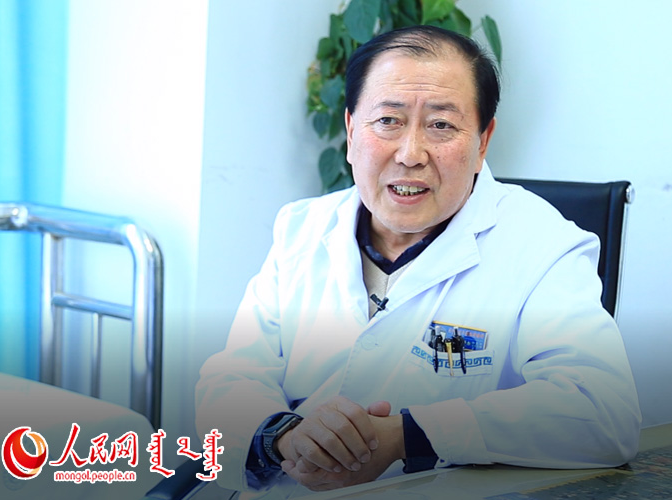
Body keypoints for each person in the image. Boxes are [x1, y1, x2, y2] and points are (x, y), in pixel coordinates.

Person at [195, 25, 641, 497]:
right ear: (351, 131)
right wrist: (285, 436)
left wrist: (407, 436)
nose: (410, 155)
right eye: (388, 120)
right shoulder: (302, 228)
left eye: (441, 125)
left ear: (483, 142)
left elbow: (602, 413)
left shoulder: (544, 246)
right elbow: (230, 378)